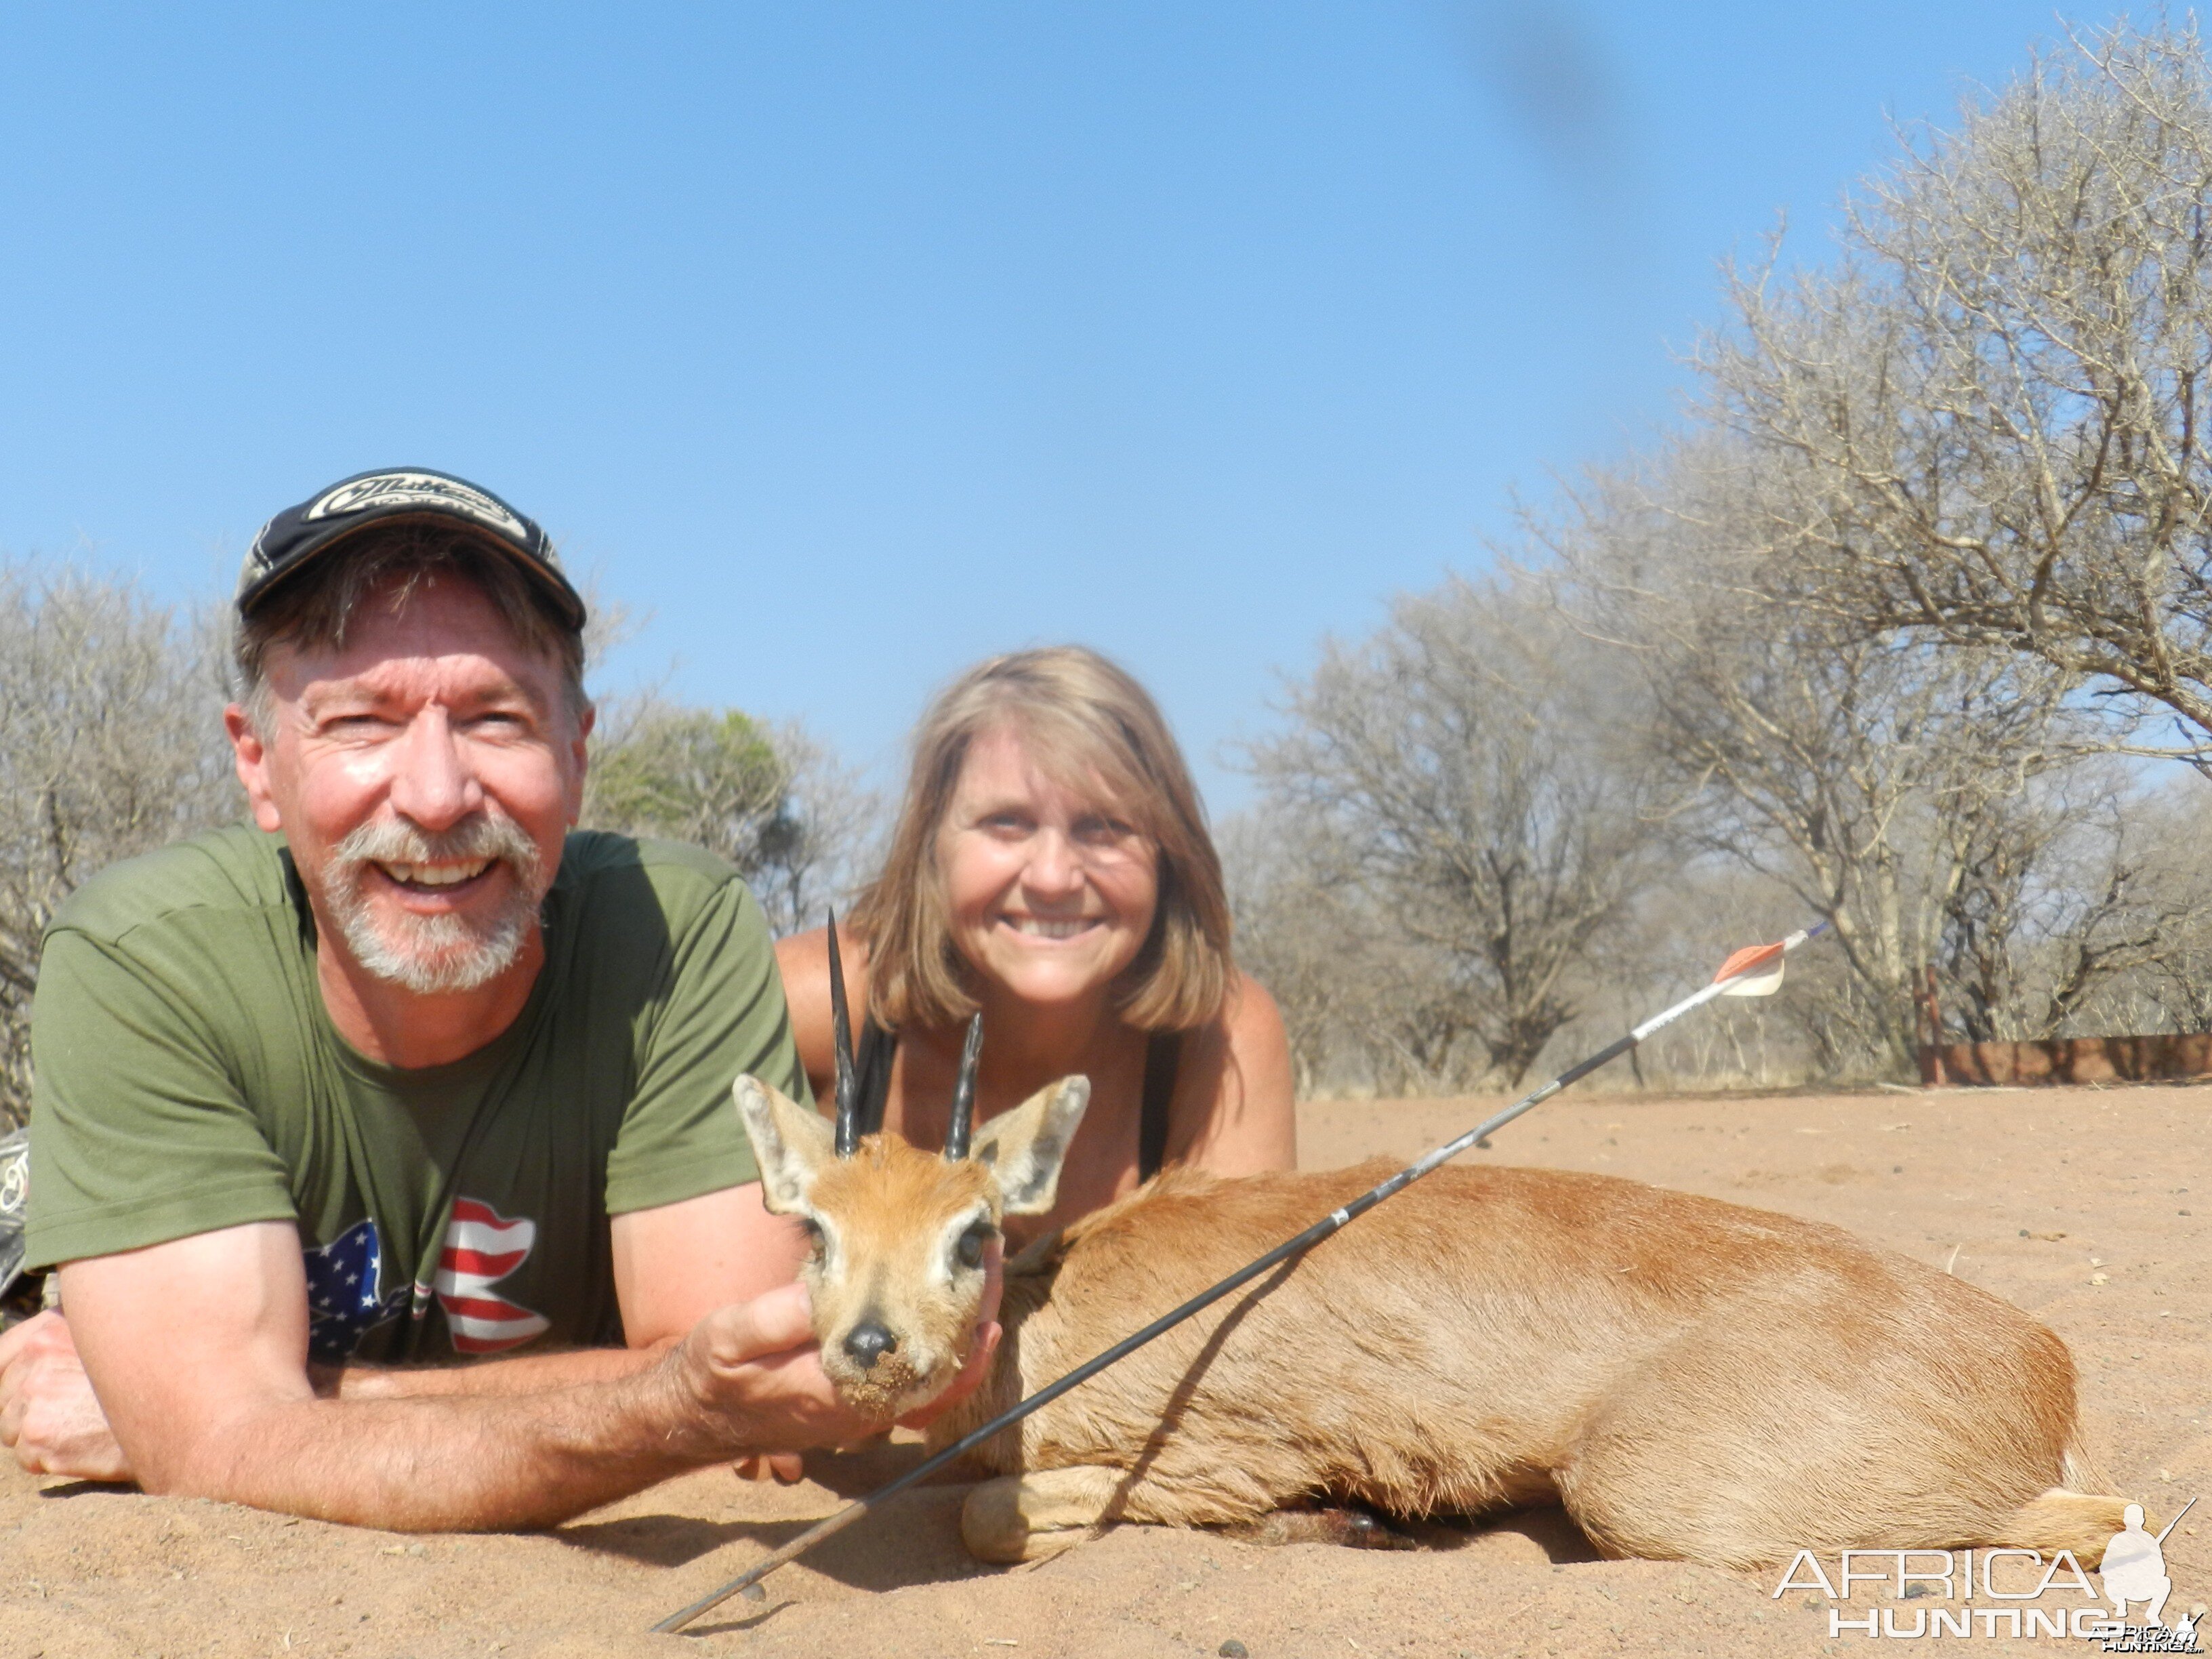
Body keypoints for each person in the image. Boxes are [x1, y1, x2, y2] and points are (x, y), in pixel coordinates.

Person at [0, 468, 994, 1526]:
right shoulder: (139, 956)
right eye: (361, 722)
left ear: (574, 752)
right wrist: (655, 1399)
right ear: (257, 766)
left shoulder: (678, 930)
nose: (435, 797)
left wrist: (280, 1408)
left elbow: (735, 1412)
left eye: (495, 718)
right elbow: (686, 1400)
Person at [777, 647, 1295, 1246]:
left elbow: (1240, 1326)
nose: (1053, 877)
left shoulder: (1220, 1041)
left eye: (1105, 827)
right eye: (1007, 823)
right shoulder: (809, 1008)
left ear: (1168, 856)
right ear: (929, 846)